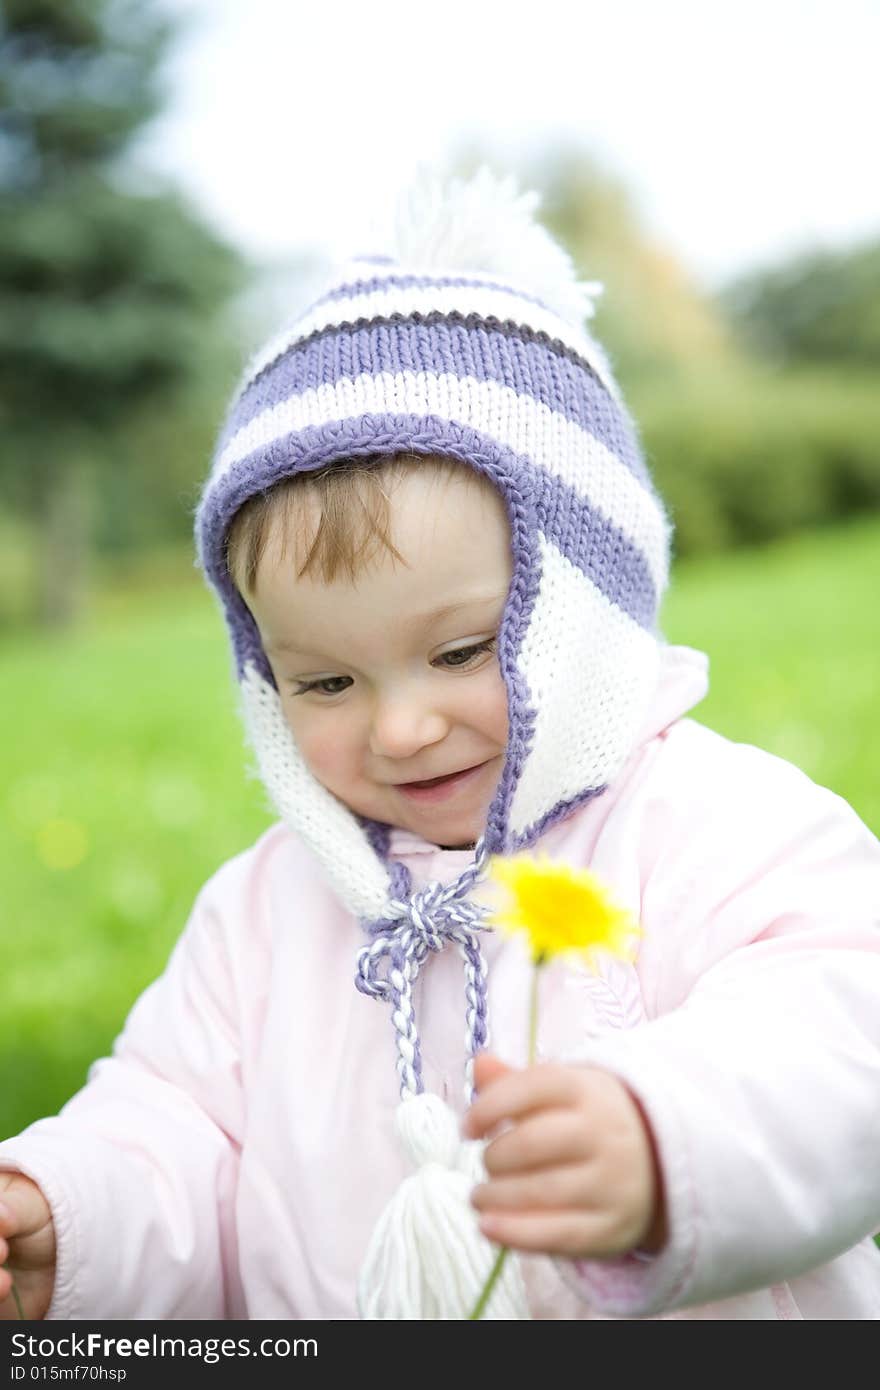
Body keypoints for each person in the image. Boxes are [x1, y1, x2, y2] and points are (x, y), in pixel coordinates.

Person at [1, 168, 879, 1321]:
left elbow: (840, 1033)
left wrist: (663, 1141)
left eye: (464, 651)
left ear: (586, 613)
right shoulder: (263, 911)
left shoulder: (716, 828)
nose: (401, 726)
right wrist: (73, 1211)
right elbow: (179, 1126)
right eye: (325, 679)